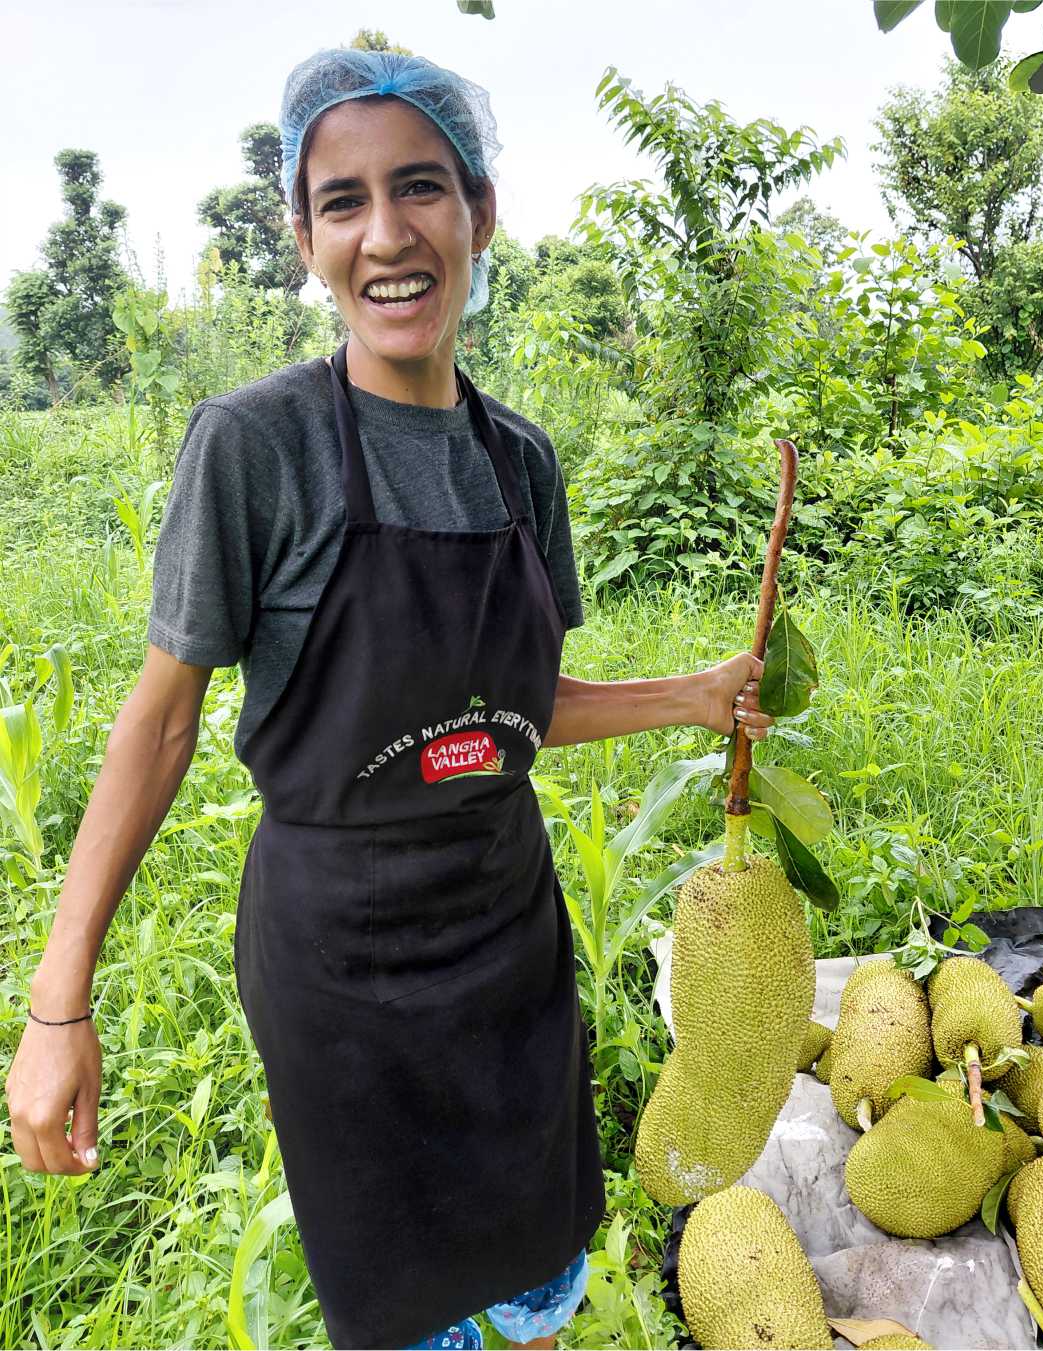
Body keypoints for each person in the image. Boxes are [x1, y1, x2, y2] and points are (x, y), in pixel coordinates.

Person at [4, 47, 773, 1351]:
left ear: (478, 214)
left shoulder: (518, 459)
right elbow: (164, 718)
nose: (387, 234)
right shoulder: (256, 446)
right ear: (302, 236)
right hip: (341, 962)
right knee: (400, 1293)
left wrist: (691, 697)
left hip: (508, 934)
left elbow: (512, 714)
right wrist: (55, 1004)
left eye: (419, 187)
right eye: (343, 201)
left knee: (535, 1258)